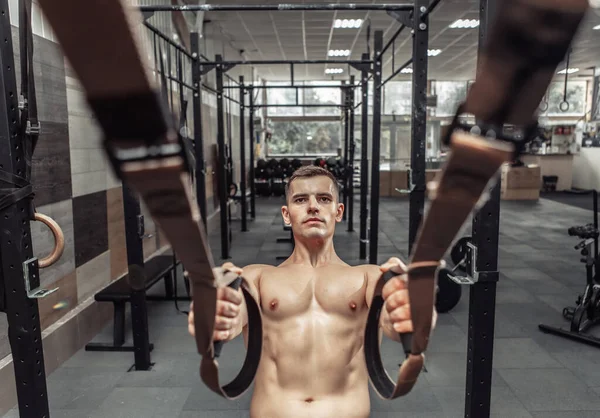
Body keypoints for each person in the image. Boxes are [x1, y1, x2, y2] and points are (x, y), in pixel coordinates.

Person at [188, 165, 437, 418]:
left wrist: (410, 311)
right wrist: (215, 313)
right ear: (287, 215)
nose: (313, 206)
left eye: (324, 198)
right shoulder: (258, 278)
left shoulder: (368, 277)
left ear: (338, 211)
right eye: (300, 199)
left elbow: (394, 319)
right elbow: (230, 314)